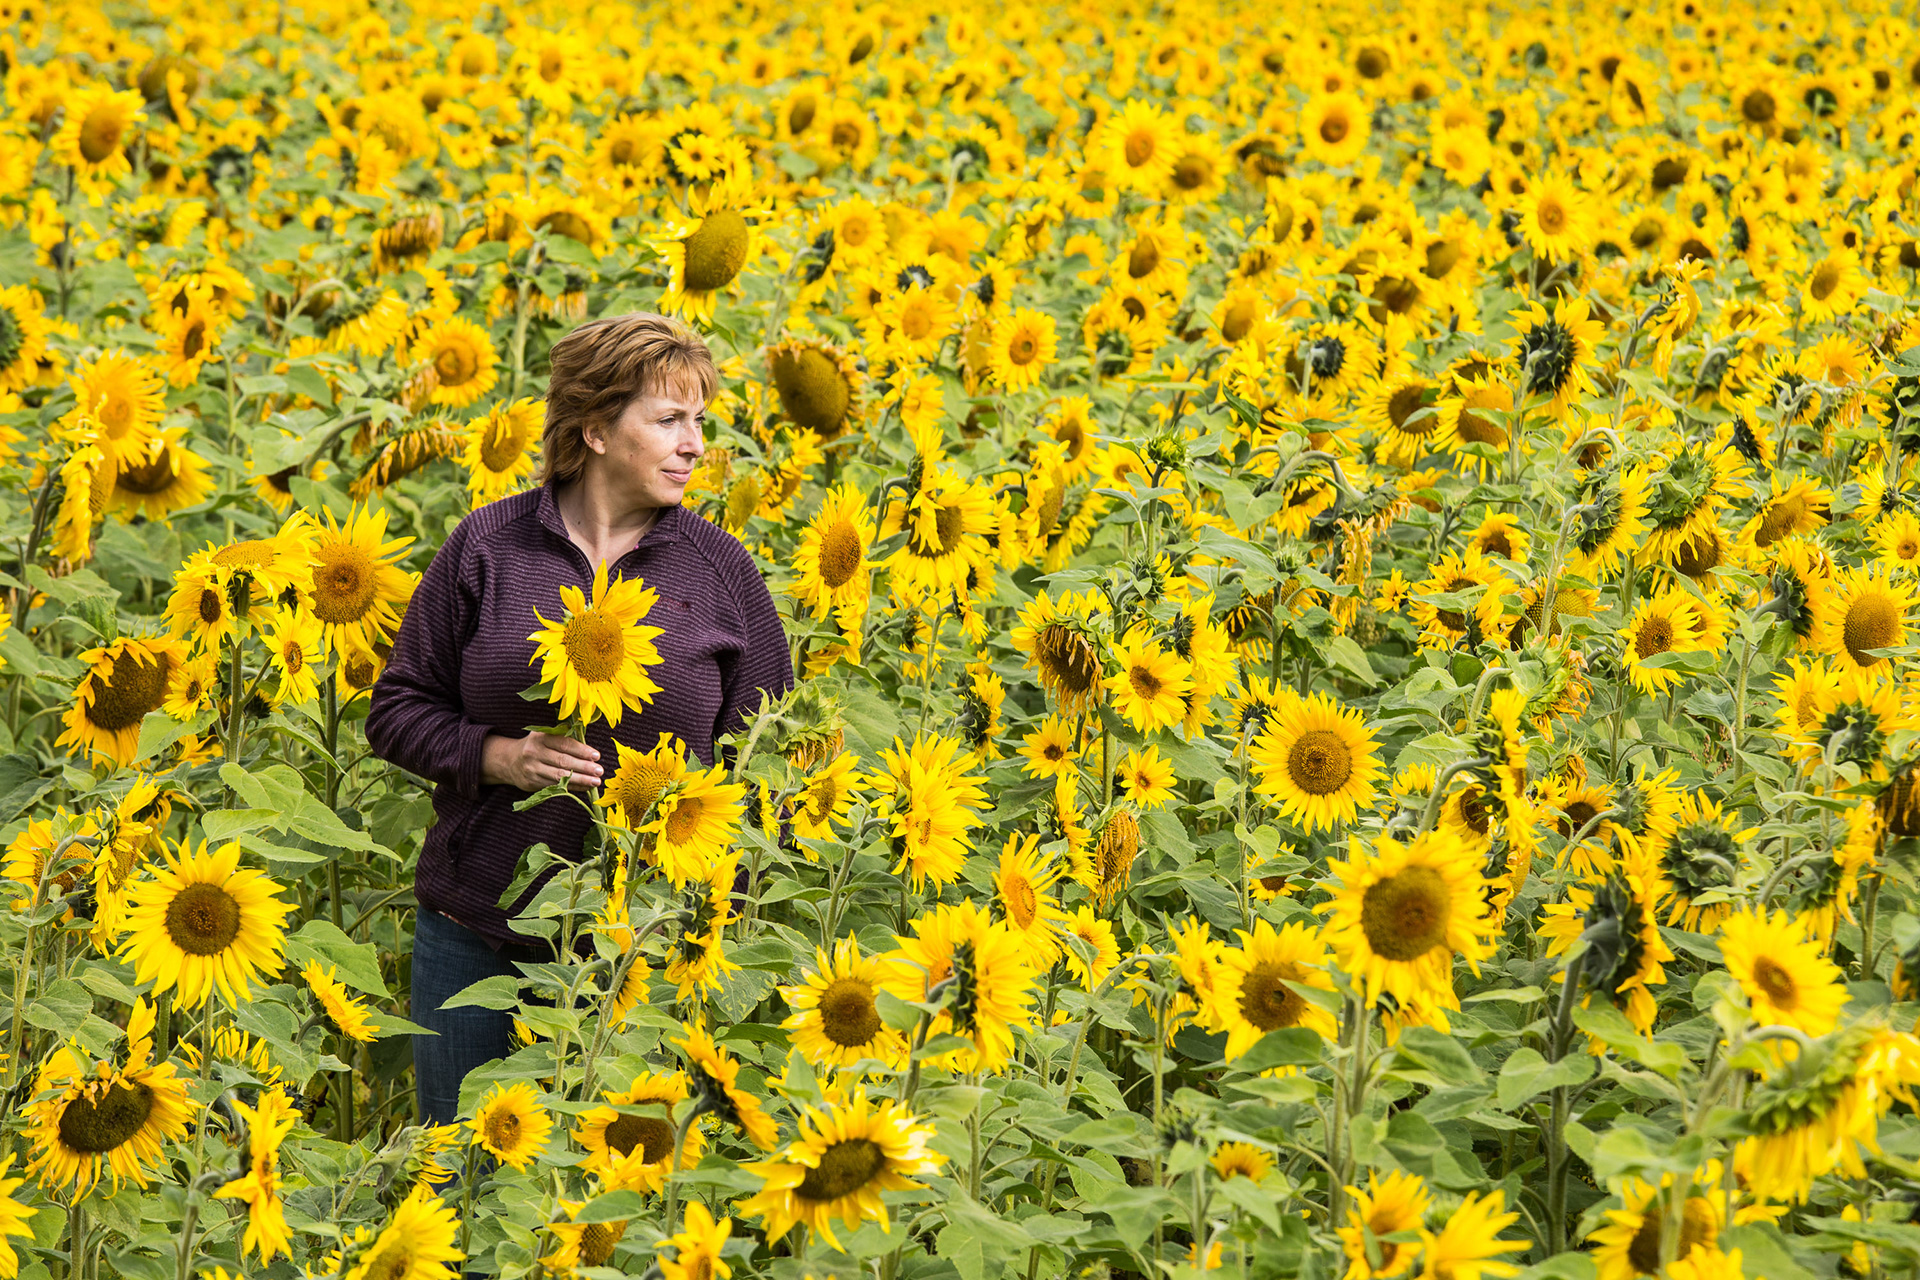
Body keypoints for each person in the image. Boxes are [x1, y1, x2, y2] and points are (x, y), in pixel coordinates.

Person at [366, 312, 793, 1125]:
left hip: (645, 949)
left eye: (698, 421)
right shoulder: (488, 549)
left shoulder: (720, 571)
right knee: (461, 1186)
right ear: (595, 430)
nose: (695, 445)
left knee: (609, 1211)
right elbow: (397, 708)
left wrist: (712, 923)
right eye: (669, 421)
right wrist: (498, 756)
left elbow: (768, 766)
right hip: (475, 928)